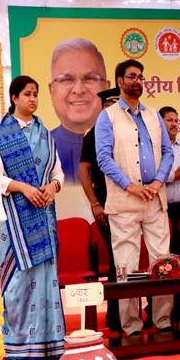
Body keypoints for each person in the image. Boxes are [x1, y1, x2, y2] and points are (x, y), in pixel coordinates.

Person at [95, 59, 173, 336]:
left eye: (140, 76)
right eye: (132, 76)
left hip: (154, 199)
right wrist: (131, 186)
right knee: (126, 266)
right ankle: (131, 327)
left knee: (162, 262)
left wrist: (157, 181)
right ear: (120, 81)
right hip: (124, 201)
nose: (137, 81)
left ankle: (162, 321)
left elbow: (168, 152)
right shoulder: (107, 117)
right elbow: (103, 158)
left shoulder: (153, 116)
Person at [0, 75, 65, 360]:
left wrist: (53, 187)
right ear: (14, 98)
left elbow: (57, 172)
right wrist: (23, 188)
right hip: (13, 219)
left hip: (43, 215)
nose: (33, 99)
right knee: (18, 279)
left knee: (45, 277)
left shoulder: (45, 134)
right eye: (27, 94)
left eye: (36, 94)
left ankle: (48, 344)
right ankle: (17, 345)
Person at [78, 87, 121, 332]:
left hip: (129, 203)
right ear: (103, 107)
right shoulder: (93, 134)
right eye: (110, 105)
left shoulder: (127, 131)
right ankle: (115, 317)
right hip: (105, 203)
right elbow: (84, 171)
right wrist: (95, 203)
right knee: (117, 260)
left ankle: (133, 314)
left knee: (130, 261)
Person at [49, 38, 109, 184]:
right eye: (67, 80)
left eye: (90, 79)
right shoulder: (41, 145)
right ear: (52, 90)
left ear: (106, 88)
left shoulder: (122, 140)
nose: (78, 90)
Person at [160, 106, 180, 255]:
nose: (174, 124)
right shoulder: (154, 148)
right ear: (160, 122)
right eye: (170, 120)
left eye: (176, 121)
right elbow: (151, 176)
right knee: (165, 251)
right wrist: (175, 175)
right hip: (162, 208)